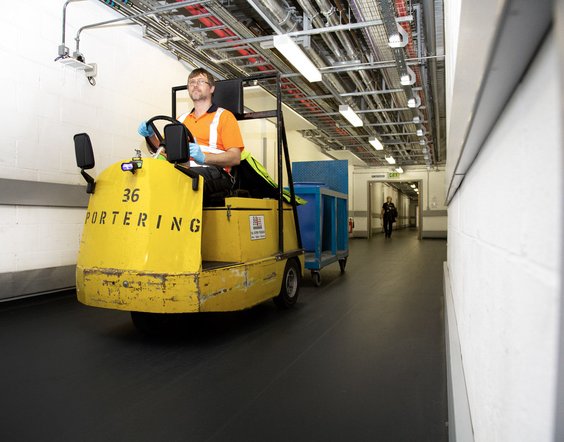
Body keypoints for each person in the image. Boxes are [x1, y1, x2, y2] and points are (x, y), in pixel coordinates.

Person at [137, 68, 244, 202]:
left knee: (180, 180)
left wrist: (204, 157)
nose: (195, 84)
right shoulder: (181, 120)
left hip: (215, 172)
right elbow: (163, 151)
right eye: (191, 82)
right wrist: (151, 135)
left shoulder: (224, 117)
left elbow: (235, 157)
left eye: (200, 81)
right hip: (183, 169)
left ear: (211, 88)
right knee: (145, 174)